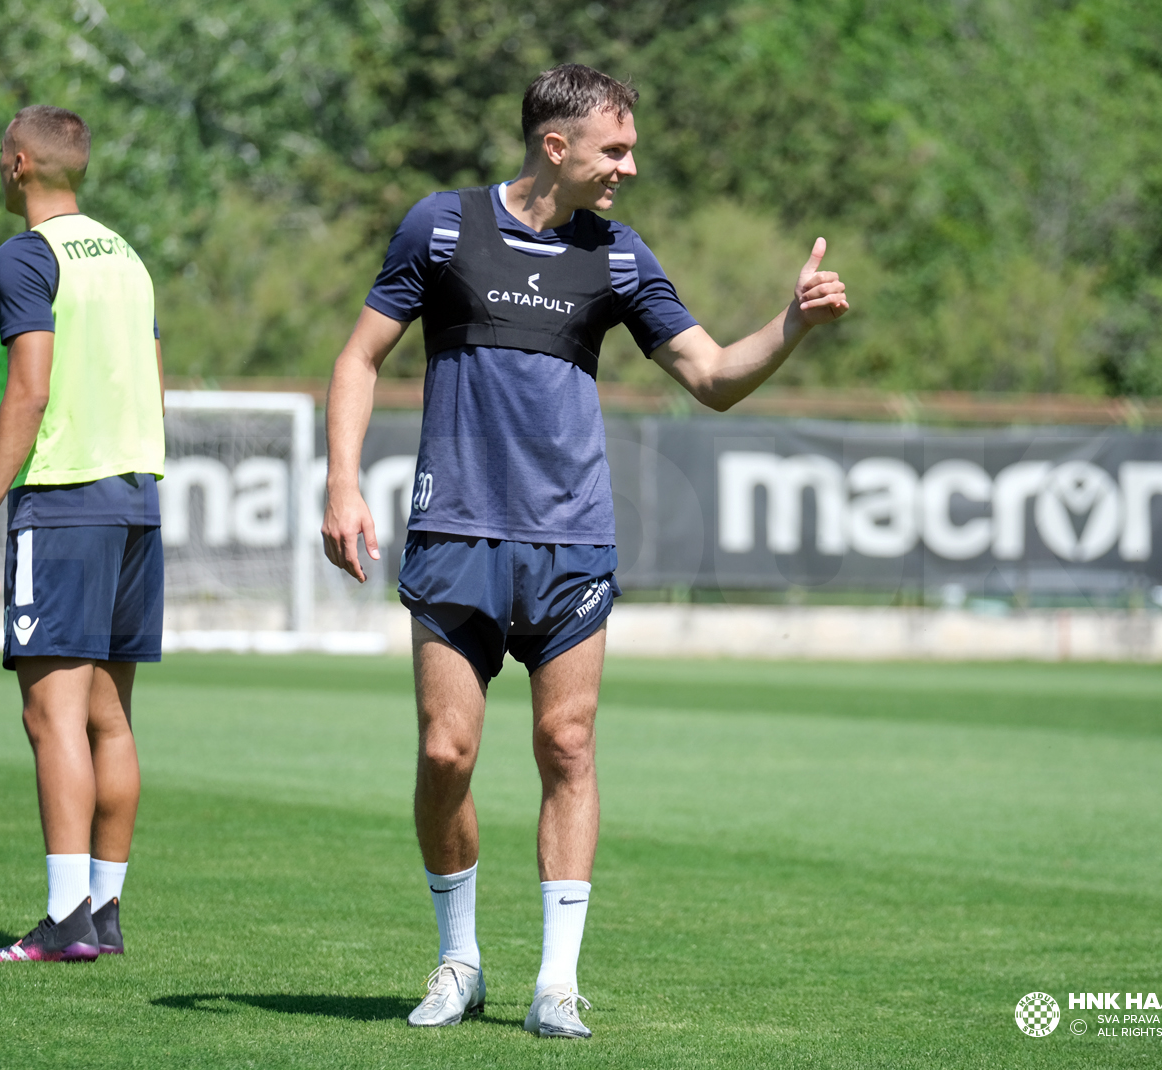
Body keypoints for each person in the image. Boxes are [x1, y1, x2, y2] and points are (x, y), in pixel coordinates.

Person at [320, 64, 849, 1037]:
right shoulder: (439, 227)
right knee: (446, 751)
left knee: (566, 743)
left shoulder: (616, 257)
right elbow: (359, 357)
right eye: (615, 149)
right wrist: (342, 480)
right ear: (554, 146)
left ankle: (555, 981)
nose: (630, 167)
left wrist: (790, 324)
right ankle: (459, 958)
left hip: (571, 540)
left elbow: (711, 375)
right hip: (455, 531)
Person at [0, 104, 165, 963]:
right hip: (136, 500)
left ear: (16, 165)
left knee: (53, 719)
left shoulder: (24, 255)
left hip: (64, 498)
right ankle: (105, 914)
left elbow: (30, 389)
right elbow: (153, 383)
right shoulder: (125, 256)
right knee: (110, 721)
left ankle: (64, 919)